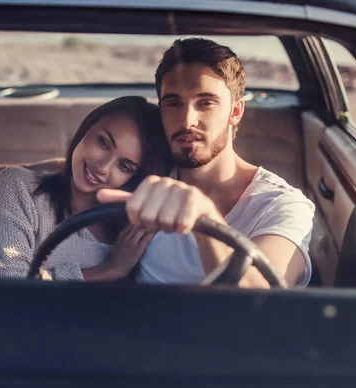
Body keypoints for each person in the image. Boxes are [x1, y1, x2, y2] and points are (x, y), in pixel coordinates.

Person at [97, 38, 315, 288]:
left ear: (235, 112)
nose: (187, 121)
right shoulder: (148, 173)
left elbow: (260, 300)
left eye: (206, 103)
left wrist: (204, 218)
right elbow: (80, 168)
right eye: (174, 103)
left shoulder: (282, 205)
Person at [0, 96, 171, 281]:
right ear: (86, 128)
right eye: (103, 143)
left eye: (124, 166)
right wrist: (109, 270)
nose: (102, 167)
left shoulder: (131, 236)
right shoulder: (19, 187)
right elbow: (5, 287)